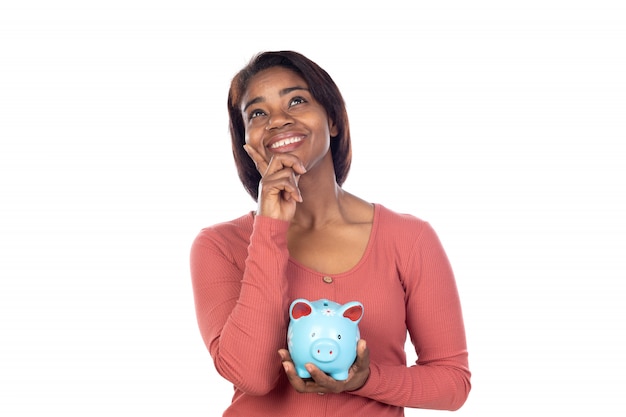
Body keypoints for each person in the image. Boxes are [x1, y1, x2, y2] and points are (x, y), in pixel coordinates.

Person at [190, 50, 471, 416]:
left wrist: (365, 380)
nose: (278, 120)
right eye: (257, 113)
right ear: (246, 139)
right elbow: (252, 377)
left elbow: (453, 385)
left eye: (297, 100)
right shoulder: (218, 246)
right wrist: (270, 226)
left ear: (333, 119)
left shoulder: (409, 238)